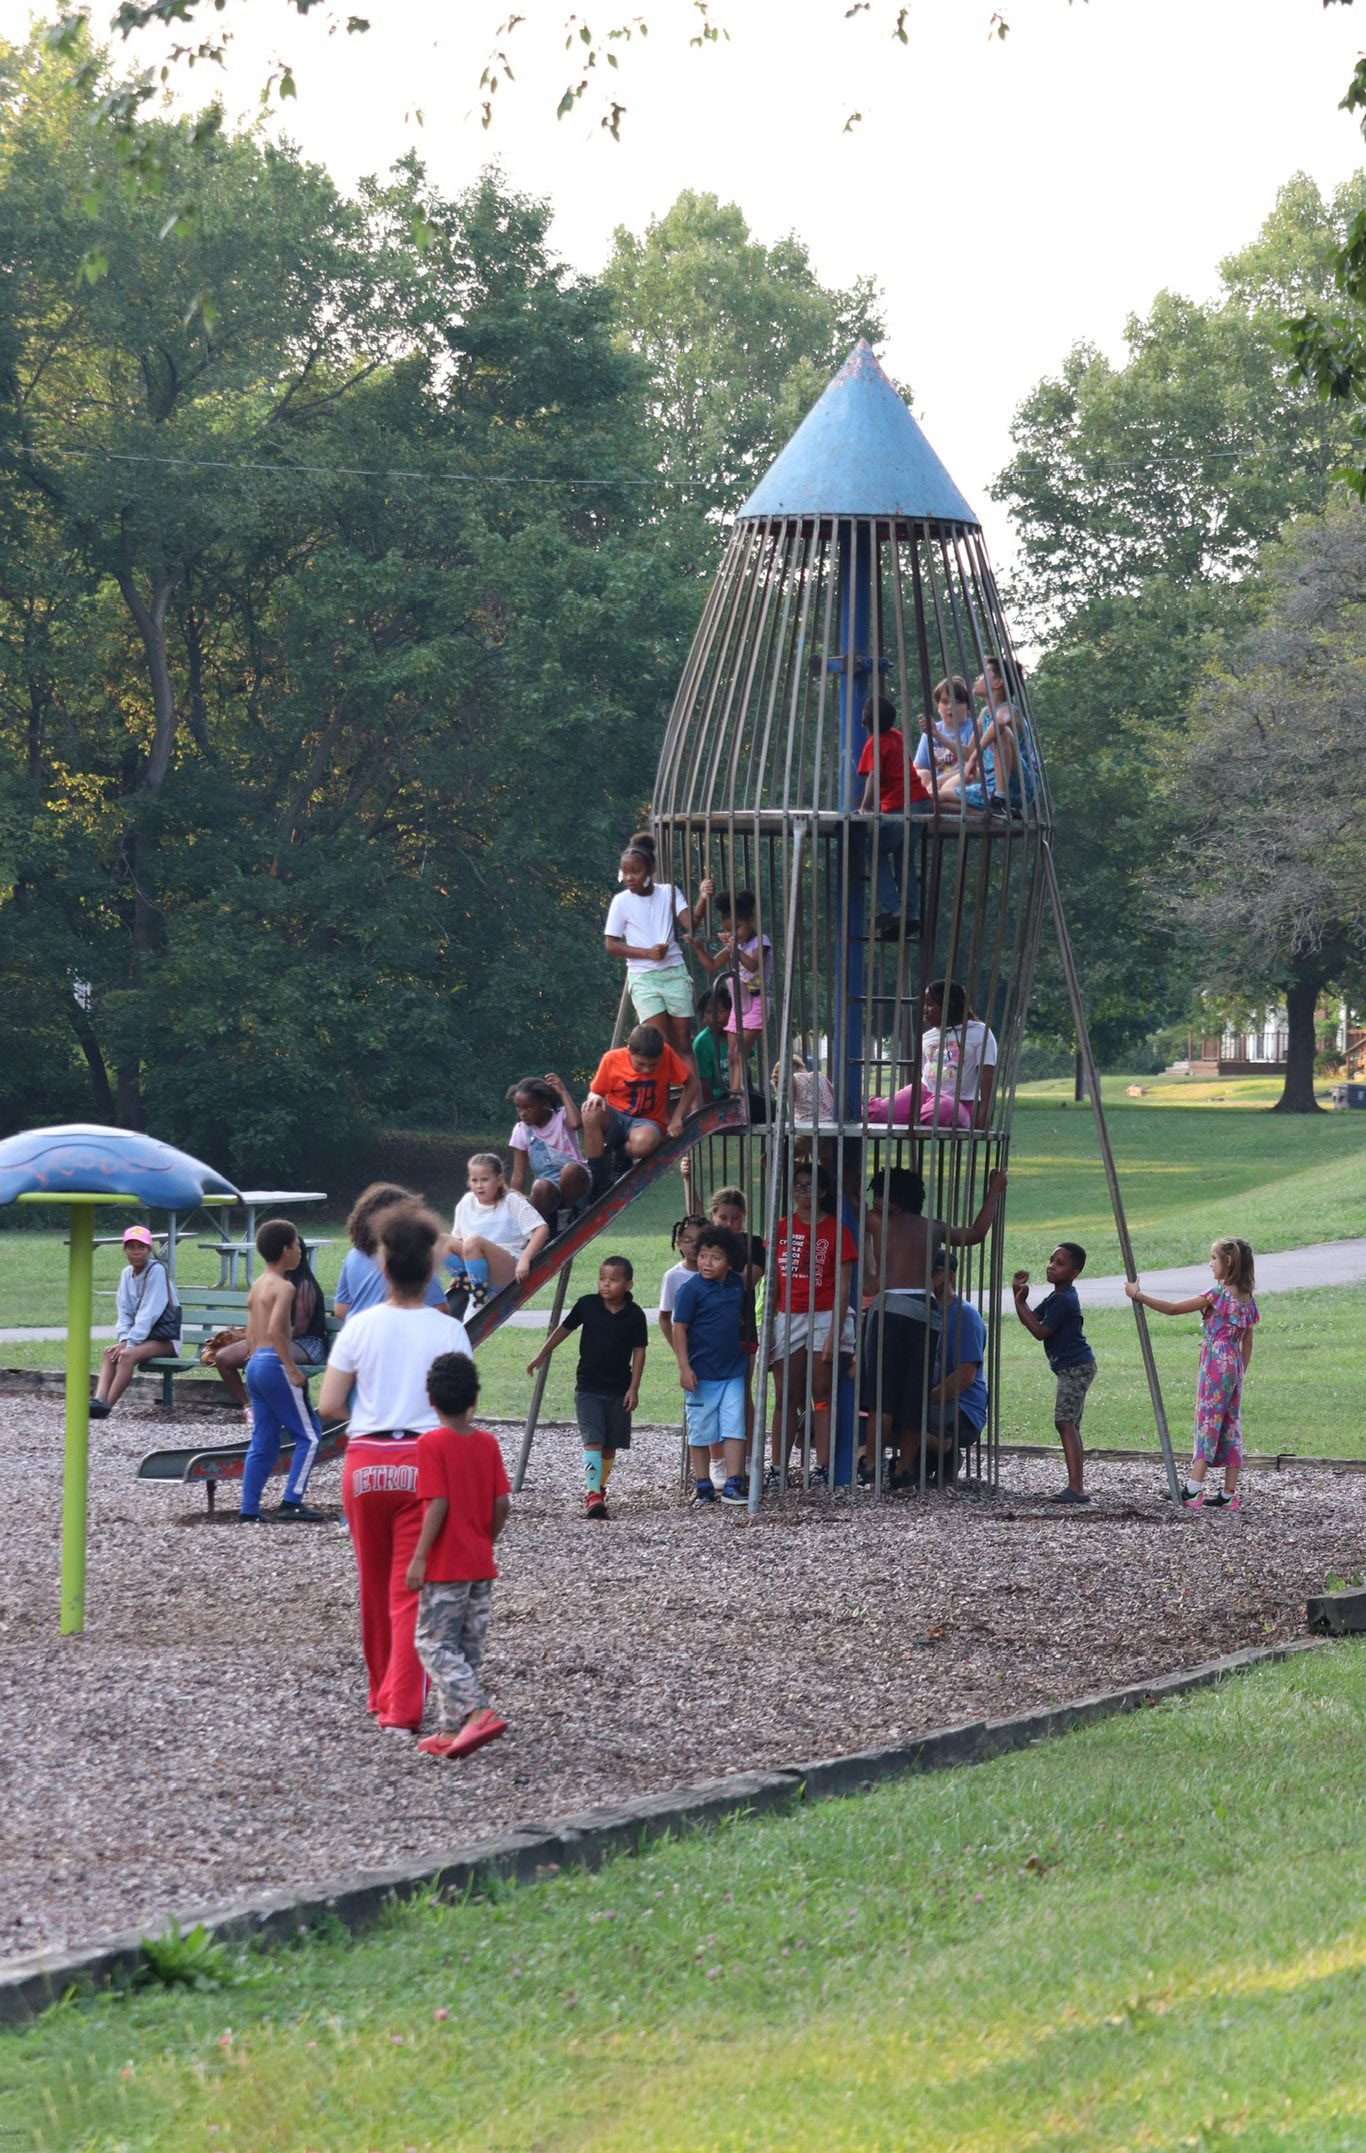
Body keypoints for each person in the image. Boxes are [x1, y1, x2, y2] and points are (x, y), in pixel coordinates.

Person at [319, 1205, 472, 1735]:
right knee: (413, 1590)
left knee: (373, 1583)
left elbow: (330, 1404)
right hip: (423, 1463)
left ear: (383, 1267)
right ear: (430, 1271)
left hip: (364, 1465)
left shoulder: (360, 1325)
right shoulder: (448, 1330)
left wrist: (374, 1414)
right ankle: (402, 1708)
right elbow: (463, 1410)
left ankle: (379, 1689)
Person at [862, 1166, 1006, 1484]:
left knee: (881, 1394)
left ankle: (872, 1464)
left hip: (891, 1305)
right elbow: (975, 1235)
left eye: (877, 1196)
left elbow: (846, 1203)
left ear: (891, 1200)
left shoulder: (878, 1221)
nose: (873, 1203)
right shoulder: (934, 1227)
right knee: (916, 1393)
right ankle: (904, 1469)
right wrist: (994, 1192)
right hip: (925, 1311)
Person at [405, 1352, 511, 1760]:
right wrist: (488, 1539)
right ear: (475, 1401)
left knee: (432, 1645)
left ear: (431, 1400)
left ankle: (476, 1710)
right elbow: (502, 1503)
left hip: (446, 1567)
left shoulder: (431, 1444)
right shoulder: (487, 1443)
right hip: (480, 1564)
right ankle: (451, 1730)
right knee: (463, 1650)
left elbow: (437, 1505)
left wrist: (419, 1558)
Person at [1126, 1238, 1259, 1512]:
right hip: (1233, 1364)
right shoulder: (1247, 1298)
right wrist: (1240, 1371)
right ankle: (1228, 1494)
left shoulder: (1218, 1295)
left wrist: (1138, 1295)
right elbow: (1247, 1341)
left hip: (1215, 1363)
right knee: (1231, 1423)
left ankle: (1193, 1489)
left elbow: (1174, 1309)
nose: (1210, 1264)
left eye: (1213, 1258)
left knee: (1207, 1421)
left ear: (1228, 1262)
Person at [526, 1254, 648, 1520]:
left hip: (618, 1389)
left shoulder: (635, 1315)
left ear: (628, 1285)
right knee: (593, 1440)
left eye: (614, 1280)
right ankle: (592, 1494)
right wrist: (541, 1354)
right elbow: (563, 1330)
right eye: (602, 1279)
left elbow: (640, 1351)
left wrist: (634, 1388)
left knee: (609, 1446)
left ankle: (599, 1489)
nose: (606, 1285)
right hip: (588, 1387)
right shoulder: (587, 1305)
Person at [768, 1163, 856, 1488]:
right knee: (785, 1394)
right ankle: (778, 1468)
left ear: (822, 1191)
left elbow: (844, 1285)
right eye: (797, 1186)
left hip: (824, 1314)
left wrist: (834, 1331)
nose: (802, 1192)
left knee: (821, 1392)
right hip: (787, 1314)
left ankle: (822, 1466)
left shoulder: (837, 1230)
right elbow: (772, 1282)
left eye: (809, 1186)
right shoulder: (780, 1228)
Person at [238, 1218, 326, 1524]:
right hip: (275, 1364)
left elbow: (251, 1334)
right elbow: (277, 1331)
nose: (300, 1250)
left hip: (255, 1364)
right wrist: (292, 1369)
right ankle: (292, 1501)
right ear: (286, 1249)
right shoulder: (285, 1287)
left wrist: (255, 1362)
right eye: (297, 1243)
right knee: (311, 1435)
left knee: (264, 1440)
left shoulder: (257, 1285)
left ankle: (248, 1509)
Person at [1011, 1242, 1097, 1505]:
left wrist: (1019, 1300)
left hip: (1076, 1367)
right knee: (1069, 1422)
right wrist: (1018, 1297)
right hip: (1072, 1366)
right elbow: (1032, 1318)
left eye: (1059, 1263)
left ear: (1074, 1272)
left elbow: (1040, 1332)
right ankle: (1076, 1486)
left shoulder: (1064, 1299)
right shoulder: (1056, 1297)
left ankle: (1077, 1488)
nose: (1051, 1266)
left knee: (1065, 1421)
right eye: (1051, 1260)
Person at [603, 840, 699, 1071]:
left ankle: (696, 1103)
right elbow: (611, 944)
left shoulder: (669, 893)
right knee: (660, 1044)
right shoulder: (621, 902)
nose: (629, 878)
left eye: (636, 872)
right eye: (625, 872)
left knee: (683, 1042)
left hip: (674, 972)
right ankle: (664, 1101)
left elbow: (691, 925)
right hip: (644, 977)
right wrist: (647, 953)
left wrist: (704, 898)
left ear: (651, 870)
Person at [673, 1226, 749, 1506]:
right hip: (701, 1373)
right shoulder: (690, 1290)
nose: (707, 1262)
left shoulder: (736, 1285)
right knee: (700, 1430)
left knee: (735, 1427)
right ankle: (703, 1484)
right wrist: (684, 1367)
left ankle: (732, 1483)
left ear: (729, 1261)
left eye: (715, 1257)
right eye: (703, 1256)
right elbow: (678, 1328)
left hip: (732, 1371)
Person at [210, 1240, 328, 1417]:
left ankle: (280, 1410)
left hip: (306, 1343)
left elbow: (299, 1329)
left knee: (262, 1358)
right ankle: (249, 1407)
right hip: (274, 1339)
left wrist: (262, 1343)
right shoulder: (270, 1281)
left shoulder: (304, 1284)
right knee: (223, 1357)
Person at [580, 1023, 700, 1196]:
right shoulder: (612, 1059)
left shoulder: (667, 1054)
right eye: (641, 1064)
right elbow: (595, 1092)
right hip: (616, 1116)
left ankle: (623, 1155)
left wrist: (677, 1117)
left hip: (647, 1121)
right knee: (590, 1112)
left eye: (653, 1065)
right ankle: (598, 1182)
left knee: (644, 1143)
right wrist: (595, 1097)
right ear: (630, 1050)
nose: (646, 1069)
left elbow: (692, 1083)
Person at [866, 980, 998, 1130]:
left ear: (949, 1005)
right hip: (923, 1093)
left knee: (941, 1109)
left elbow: (987, 1077)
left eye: (930, 1004)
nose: (924, 1010)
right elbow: (925, 1073)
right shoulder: (928, 1036)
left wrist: (983, 1116)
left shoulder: (980, 1032)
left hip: (959, 1102)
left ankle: (919, 1116)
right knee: (878, 1113)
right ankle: (837, 1102)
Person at [855, 692, 929, 940]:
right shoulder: (896, 736)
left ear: (865, 721)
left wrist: (865, 807)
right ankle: (911, 915)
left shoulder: (874, 743)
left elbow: (874, 776)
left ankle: (891, 907)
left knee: (872, 849)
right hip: (921, 803)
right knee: (903, 856)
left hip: (903, 808)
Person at [89, 1224, 181, 1418]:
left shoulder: (156, 1271)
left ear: (149, 1249)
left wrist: (129, 1344)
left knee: (127, 1356)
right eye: (131, 1247)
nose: (136, 1252)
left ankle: (106, 1407)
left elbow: (150, 1313)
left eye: (141, 1247)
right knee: (110, 1353)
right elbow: (124, 1312)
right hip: (139, 1339)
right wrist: (123, 1339)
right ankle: (98, 1400)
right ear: (125, 1250)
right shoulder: (126, 1274)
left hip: (164, 1339)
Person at [917, 1250, 989, 1488]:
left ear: (950, 1276)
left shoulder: (964, 1315)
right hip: (935, 1401)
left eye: (934, 1272)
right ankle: (930, 1459)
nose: (926, 1278)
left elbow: (965, 1376)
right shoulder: (921, 1310)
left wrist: (924, 1400)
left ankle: (942, 1453)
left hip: (964, 1408)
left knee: (904, 1417)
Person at [447, 1153, 550, 1314]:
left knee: (473, 1241)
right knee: (438, 1240)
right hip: (476, 1265)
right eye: (475, 1180)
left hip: (507, 1266)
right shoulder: (466, 1202)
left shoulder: (511, 1200)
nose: (479, 1186)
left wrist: (525, 1259)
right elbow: (457, 1240)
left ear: (499, 1179)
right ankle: (471, 1282)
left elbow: (541, 1229)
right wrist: (459, 1271)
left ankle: (479, 1300)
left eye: (485, 1180)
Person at [692, 889, 772, 1093]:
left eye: (737, 928)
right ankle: (735, 1096)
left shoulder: (761, 941)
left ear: (751, 920)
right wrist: (699, 948)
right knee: (731, 1053)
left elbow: (753, 965)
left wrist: (734, 949)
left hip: (756, 1002)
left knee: (740, 1050)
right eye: (729, 930)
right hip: (739, 1001)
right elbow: (712, 965)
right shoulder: (734, 946)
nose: (734, 934)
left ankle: (740, 1093)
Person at [334, 1182, 449, 1322]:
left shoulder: (352, 1256)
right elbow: (440, 1310)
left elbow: (341, 1309)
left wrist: (366, 1324)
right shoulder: (411, 1257)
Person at [505, 1074, 590, 1226]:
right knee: (539, 1186)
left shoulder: (562, 1116)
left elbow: (576, 1123)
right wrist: (512, 1206)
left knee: (570, 1170)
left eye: (528, 1108)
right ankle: (542, 1229)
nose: (523, 1113)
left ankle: (566, 1215)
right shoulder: (522, 1130)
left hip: (578, 1182)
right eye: (519, 1108)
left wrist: (563, 1091)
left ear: (544, 1103)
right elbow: (518, 1175)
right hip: (550, 1187)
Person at [915, 675, 977, 782]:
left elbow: (976, 767)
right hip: (933, 788)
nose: (950, 707)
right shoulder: (928, 733)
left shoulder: (975, 729)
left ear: (968, 707)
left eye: (957, 702)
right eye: (945, 702)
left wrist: (940, 781)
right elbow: (918, 767)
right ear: (937, 707)